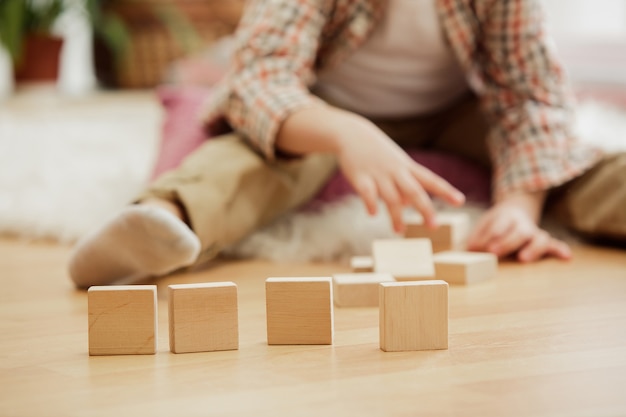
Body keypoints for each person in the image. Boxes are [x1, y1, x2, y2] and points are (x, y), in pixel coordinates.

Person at [68, 0, 625, 288]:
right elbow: (260, 78)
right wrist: (344, 132)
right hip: (324, 106)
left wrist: (519, 205)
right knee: (254, 161)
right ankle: (161, 220)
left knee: (567, 157)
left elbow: (528, 94)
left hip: (454, 109)